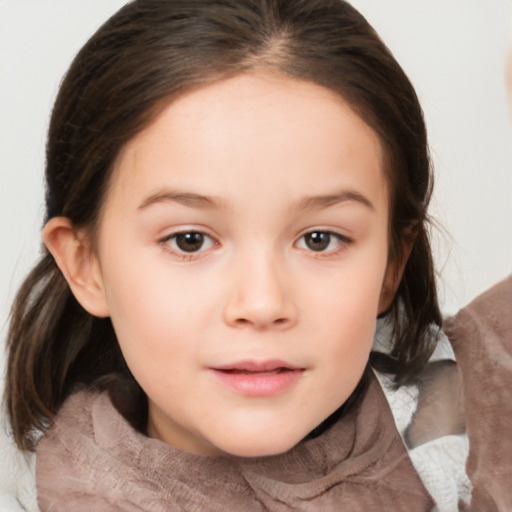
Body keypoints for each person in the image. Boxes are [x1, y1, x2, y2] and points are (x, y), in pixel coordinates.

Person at [1, 1, 510, 510]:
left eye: (319, 239)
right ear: (86, 266)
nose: (263, 303)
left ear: (390, 265)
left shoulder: (484, 398)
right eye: (190, 240)